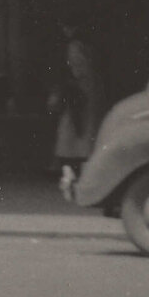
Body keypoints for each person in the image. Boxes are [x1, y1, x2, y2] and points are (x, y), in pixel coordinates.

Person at [51, 31, 105, 190]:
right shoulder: (90, 46)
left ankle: (71, 171)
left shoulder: (74, 46)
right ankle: (82, 169)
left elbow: (77, 66)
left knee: (73, 127)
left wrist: (72, 78)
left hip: (80, 88)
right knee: (86, 128)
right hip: (89, 89)